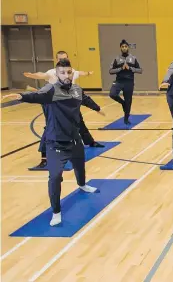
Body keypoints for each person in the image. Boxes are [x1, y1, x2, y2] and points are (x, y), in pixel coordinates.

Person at [3, 59, 105, 226]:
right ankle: (56, 212)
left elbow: (85, 99)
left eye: (69, 72)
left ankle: (82, 184)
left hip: (74, 138)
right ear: (57, 74)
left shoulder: (77, 89)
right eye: (63, 73)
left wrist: (98, 109)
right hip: (56, 142)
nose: (66, 75)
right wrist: (21, 96)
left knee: (80, 165)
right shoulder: (51, 90)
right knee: (55, 177)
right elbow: (37, 96)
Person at [23, 51, 103, 171]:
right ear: (57, 60)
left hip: (70, 102)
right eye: (60, 59)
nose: (63, 61)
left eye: (65, 58)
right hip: (54, 105)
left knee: (79, 123)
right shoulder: (52, 72)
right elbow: (41, 75)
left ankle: (90, 142)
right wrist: (32, 75)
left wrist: (88, 73)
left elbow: (80, 74)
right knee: (50, 128)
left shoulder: (72, 71)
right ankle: (44, 159)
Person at [109, 39, 142, 125]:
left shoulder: (133, 58)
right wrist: (120, 68)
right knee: (112, 94)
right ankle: (123, 103)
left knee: (128, 101)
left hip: (129, 82)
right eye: (122, 47)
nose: (124, 48)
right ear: (120, 48)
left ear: (128, 48)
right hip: (119, 81)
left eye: (125, 46)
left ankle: (126, 119)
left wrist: (130, 68)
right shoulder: (116, 59)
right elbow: (110, 71)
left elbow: (140, 70)